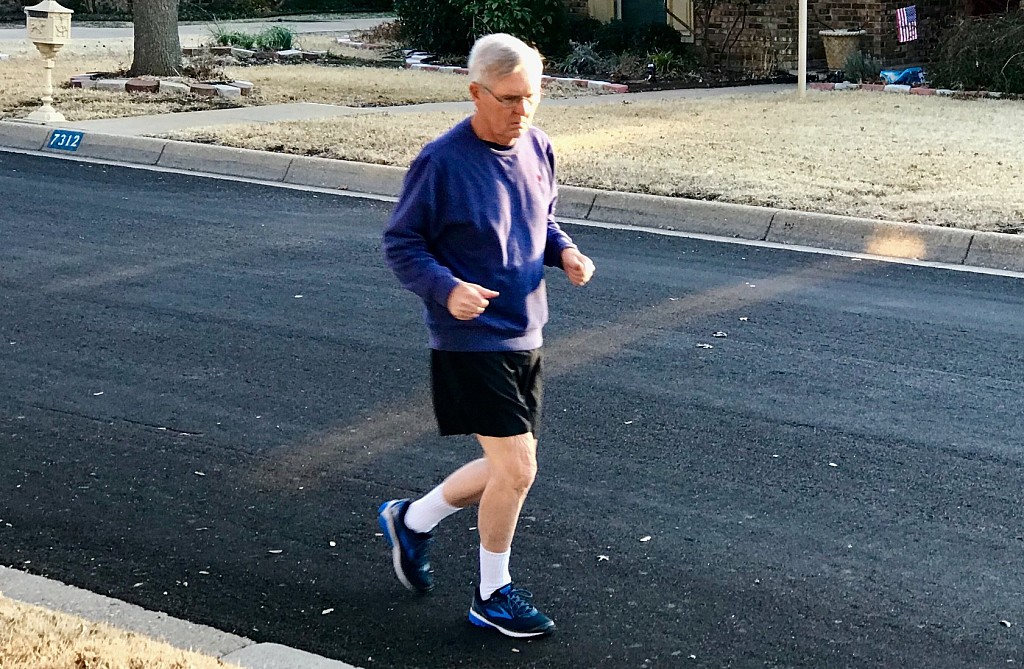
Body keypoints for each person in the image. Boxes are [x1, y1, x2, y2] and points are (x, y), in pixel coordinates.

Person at [378, 32, 595, 639]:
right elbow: (402, 243)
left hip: (527, 332)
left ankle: (411, 521)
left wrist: (565, 252)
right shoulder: (442, 162)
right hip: (469, 339)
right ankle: (491, 594)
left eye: (533, 96)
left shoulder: (539, 147)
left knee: (508, 467)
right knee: (518, 469)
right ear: (476, 92)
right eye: (509, 99)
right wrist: (447, 288)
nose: (523, 110)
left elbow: (541, 218)